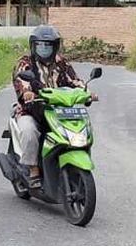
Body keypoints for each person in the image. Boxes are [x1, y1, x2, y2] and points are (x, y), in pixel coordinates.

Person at [13, 25, 84, 189]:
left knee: (73, 131)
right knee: (30, 132)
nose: (44, 49)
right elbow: (22, 83)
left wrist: (86, 92)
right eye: (40, 45)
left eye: (48, 45)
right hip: (31, 111)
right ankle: (33, 169)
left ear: (55, 46)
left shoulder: (61, 62)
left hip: (58, 111)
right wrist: (27, 93)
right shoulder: (25, 63)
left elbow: (74, 80)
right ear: (33, 45)